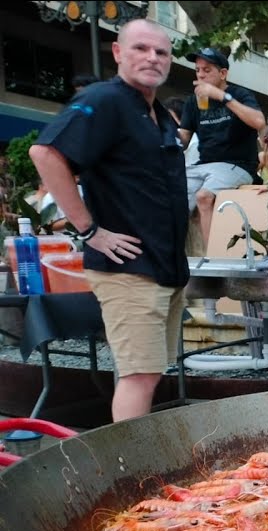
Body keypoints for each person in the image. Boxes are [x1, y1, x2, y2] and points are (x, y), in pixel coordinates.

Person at [29, 19, 189, 422]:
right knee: (138, 376)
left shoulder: (158, 114)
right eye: (141, 48)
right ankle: (127, 476)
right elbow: (45, 154)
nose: (152, 58)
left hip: (163, 266)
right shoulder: (105, 100)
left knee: (150, 373)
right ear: (118, 52)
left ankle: (133, 470)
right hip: (129, 269)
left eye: (161, 52)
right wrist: (89, 231)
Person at [178, 47, 267, 252]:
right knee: (170, 194)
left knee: (203, 196)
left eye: (207, 70)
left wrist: (222, 96)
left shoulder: (239, 94)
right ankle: (169, 256)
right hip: (203, 165)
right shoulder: (193, 101)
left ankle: (213, 259)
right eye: (198, 70)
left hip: (237, 164)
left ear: (223, 73)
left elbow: (259, 121)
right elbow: (184, 137)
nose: (200, 74)